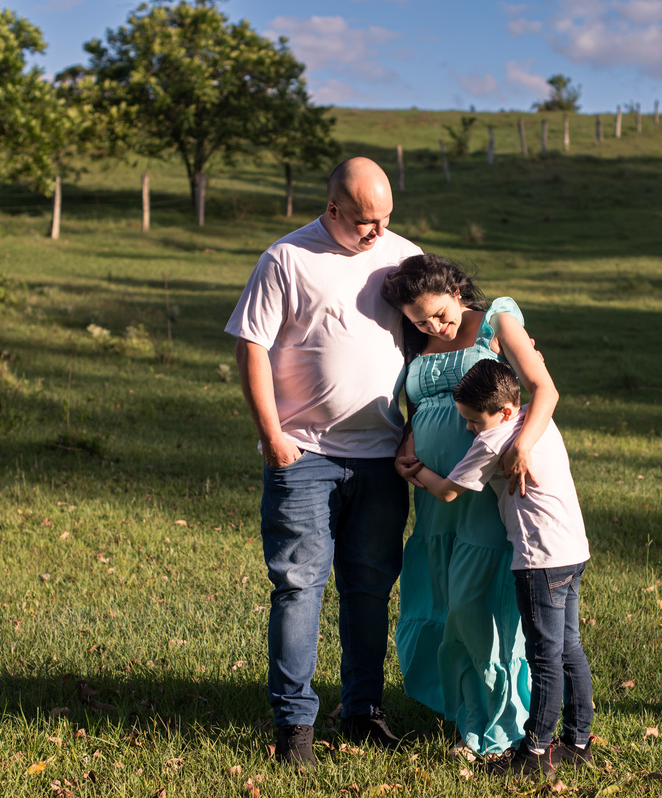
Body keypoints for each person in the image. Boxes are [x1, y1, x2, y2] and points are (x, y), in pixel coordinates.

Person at [226, 157, 421, 768]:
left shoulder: (402, 254)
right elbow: (251, 347)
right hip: (304, 454)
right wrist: (273, 438)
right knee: (299, 586)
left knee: (369, 588)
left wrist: (421, 433)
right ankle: (295, 726)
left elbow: (445, 332)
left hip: (384, 458)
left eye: (385, 217)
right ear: (332, 209)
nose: (376, 231)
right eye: (364, 220)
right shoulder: (286, 258)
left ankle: (363, 712)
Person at [381, 254, 559, 755]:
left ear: (457, 291)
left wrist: (522, 446)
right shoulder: (416, 337)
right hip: (435, 497)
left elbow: (543, 388)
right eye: (420, 320)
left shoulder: (498, 319)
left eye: (440, 313)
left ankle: (500, 726)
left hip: (486, 487)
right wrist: (407, 442)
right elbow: (417, 405)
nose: (435, 325)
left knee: (475, 604)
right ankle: (463, 711)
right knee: (439, 603)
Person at [401, 359, 593, 778]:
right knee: (568, 648)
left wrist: (417, 473)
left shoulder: (494, 440)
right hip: (573, 551)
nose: (469, 428)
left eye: (473, 421)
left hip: (538, 559)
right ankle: (578, 742)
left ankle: (535, 754)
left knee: (544, 656)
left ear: (504, 412)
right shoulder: (530, 421)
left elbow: (449, 492)